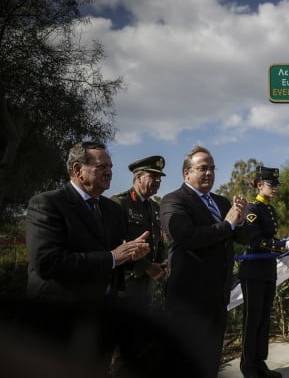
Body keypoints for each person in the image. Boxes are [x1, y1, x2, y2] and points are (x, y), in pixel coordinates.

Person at [24, 141, 151, 368]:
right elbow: (47, 262)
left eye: (110, 166)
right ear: (77, 170)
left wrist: (132, 255)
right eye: (102, 166)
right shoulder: (47, 204)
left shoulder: (112, 210)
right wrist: (113, 257)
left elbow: (114, 263)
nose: (110, 171)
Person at [159, 146, 249, 377]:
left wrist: (240, 220)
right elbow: (187, 237)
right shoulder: (173, 201)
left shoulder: (220, 201)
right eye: (202, 168)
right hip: (189, 300)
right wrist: (227, 224)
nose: (209, 173)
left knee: (210, 360)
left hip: (218, 297)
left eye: (212, 168)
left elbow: (242, 237)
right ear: (187, 173)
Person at [238, 166, 289, 378]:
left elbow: (270, 239)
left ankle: (260, 363)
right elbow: (256, 240)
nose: (275, 188)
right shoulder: (253, 209)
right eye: (272, 184)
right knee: (251, 321)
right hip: (252, 272)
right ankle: (248, 367)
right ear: (260, 185)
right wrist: (284, 246)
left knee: (263, 319)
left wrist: (287, 243)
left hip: (267, 270)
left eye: (276, 184)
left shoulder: (269, 208)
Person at [112, 155, 168, 309]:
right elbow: (116, 243)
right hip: (126, 281)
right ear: (138, 177)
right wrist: (147, 266)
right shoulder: (120, 203)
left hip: (148, 283)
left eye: (160, 177)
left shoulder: (155, 207)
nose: (158, 181)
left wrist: (163, 262)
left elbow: (158, 241)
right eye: (153, 176)